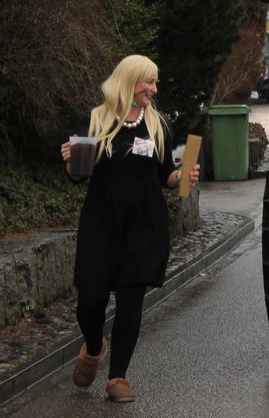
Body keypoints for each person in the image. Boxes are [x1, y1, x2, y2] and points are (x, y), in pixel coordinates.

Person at [59, 55, 199, 403]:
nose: (153, 89)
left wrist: (183, 178)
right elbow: (78, 176)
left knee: (130, 301)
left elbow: (166, 176)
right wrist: (70, 161)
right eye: (147, 82)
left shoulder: (157, 125)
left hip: (144, 224)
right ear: (128, 81)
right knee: (89, 301)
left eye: (155, 82)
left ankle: (118, 377)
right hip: (101, 221)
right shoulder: (95, 120)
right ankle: (94, 348)